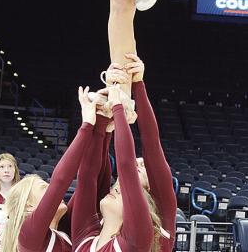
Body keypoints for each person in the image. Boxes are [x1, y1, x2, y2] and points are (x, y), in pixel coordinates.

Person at [73, 55, 177, 252]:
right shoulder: (94, 229)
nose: (139, 163)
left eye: (144, 167)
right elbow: (89, 175)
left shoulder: (158, 217)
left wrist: (130, 95)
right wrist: (106, 112)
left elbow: (150, 145)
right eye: (139, 163)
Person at [0, 86, 111, 252]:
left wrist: (103, 126)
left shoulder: (63, 226)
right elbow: (60, 181)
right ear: (28, 206)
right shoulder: (28, 235)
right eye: (45, 188)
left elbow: (92, 181)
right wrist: (86, 125)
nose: (52, 191)